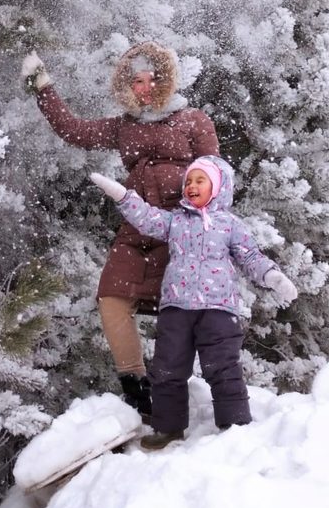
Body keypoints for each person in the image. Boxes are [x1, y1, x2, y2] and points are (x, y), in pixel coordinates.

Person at [21, 42, 220, 419]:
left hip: (181, 227)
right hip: (135, 229)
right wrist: (42, 87)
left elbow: (217, 175)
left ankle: (180, 394)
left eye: (151, 79)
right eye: (136, 81)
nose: (144, 88)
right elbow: (73, 130)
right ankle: (135, 388)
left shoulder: (193, 120)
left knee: (178, 311)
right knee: (111, 297)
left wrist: (205, 224)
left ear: (165, 80)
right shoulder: (123, 127)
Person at [90, 155, 298, 448]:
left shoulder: (229, 225)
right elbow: (146, 217)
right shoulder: (175, 221)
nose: (191, 186)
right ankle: (168, 428)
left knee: (224, 368)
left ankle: (235, 425)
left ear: (218, 187)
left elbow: (251, 257)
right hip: (177, 309)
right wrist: (123, 195)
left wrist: (273, 277)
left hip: (218, 311)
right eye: (188, 181)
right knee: (167, 369)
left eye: (200, 180)